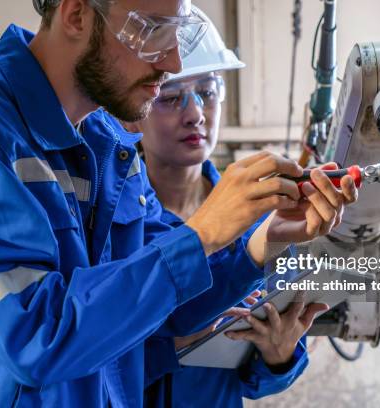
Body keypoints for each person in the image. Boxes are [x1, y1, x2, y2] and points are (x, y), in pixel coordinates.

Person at [0, 1, 356, 407]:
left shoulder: (108, 147)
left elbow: (166, 307)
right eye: (153, 30)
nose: (174, 60)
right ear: (77, 14)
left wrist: (260, 242)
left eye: (179, 33)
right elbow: (35, 337)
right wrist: (203, 234)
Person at [129, 9, 326, 407]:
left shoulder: (262, 214)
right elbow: (91, 361)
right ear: (134, 110)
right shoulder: (114, 221)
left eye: (208, 91)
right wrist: (177, 346)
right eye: (171, 97)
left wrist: (279, 356)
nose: (196, 113)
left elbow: (258, 382)